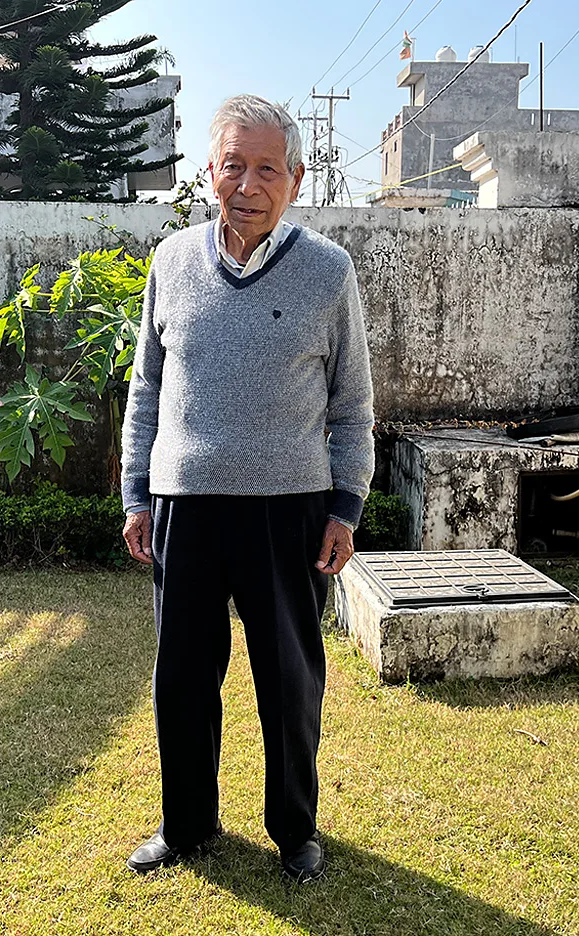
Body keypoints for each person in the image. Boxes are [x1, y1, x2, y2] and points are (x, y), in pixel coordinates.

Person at [119, 94, 375, 882]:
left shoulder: (329, 274)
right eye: (234, 164)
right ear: (210, 171)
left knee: (289, 682)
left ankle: (294, 830)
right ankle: (187, 823)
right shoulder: (172, 264)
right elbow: (146, 388)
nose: (248, 183)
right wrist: (136, 489)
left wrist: (345, 505)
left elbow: (353, 404)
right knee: (183, 680)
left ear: (296, 180)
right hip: (184, 507)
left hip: (286, 511)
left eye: (268, 168)